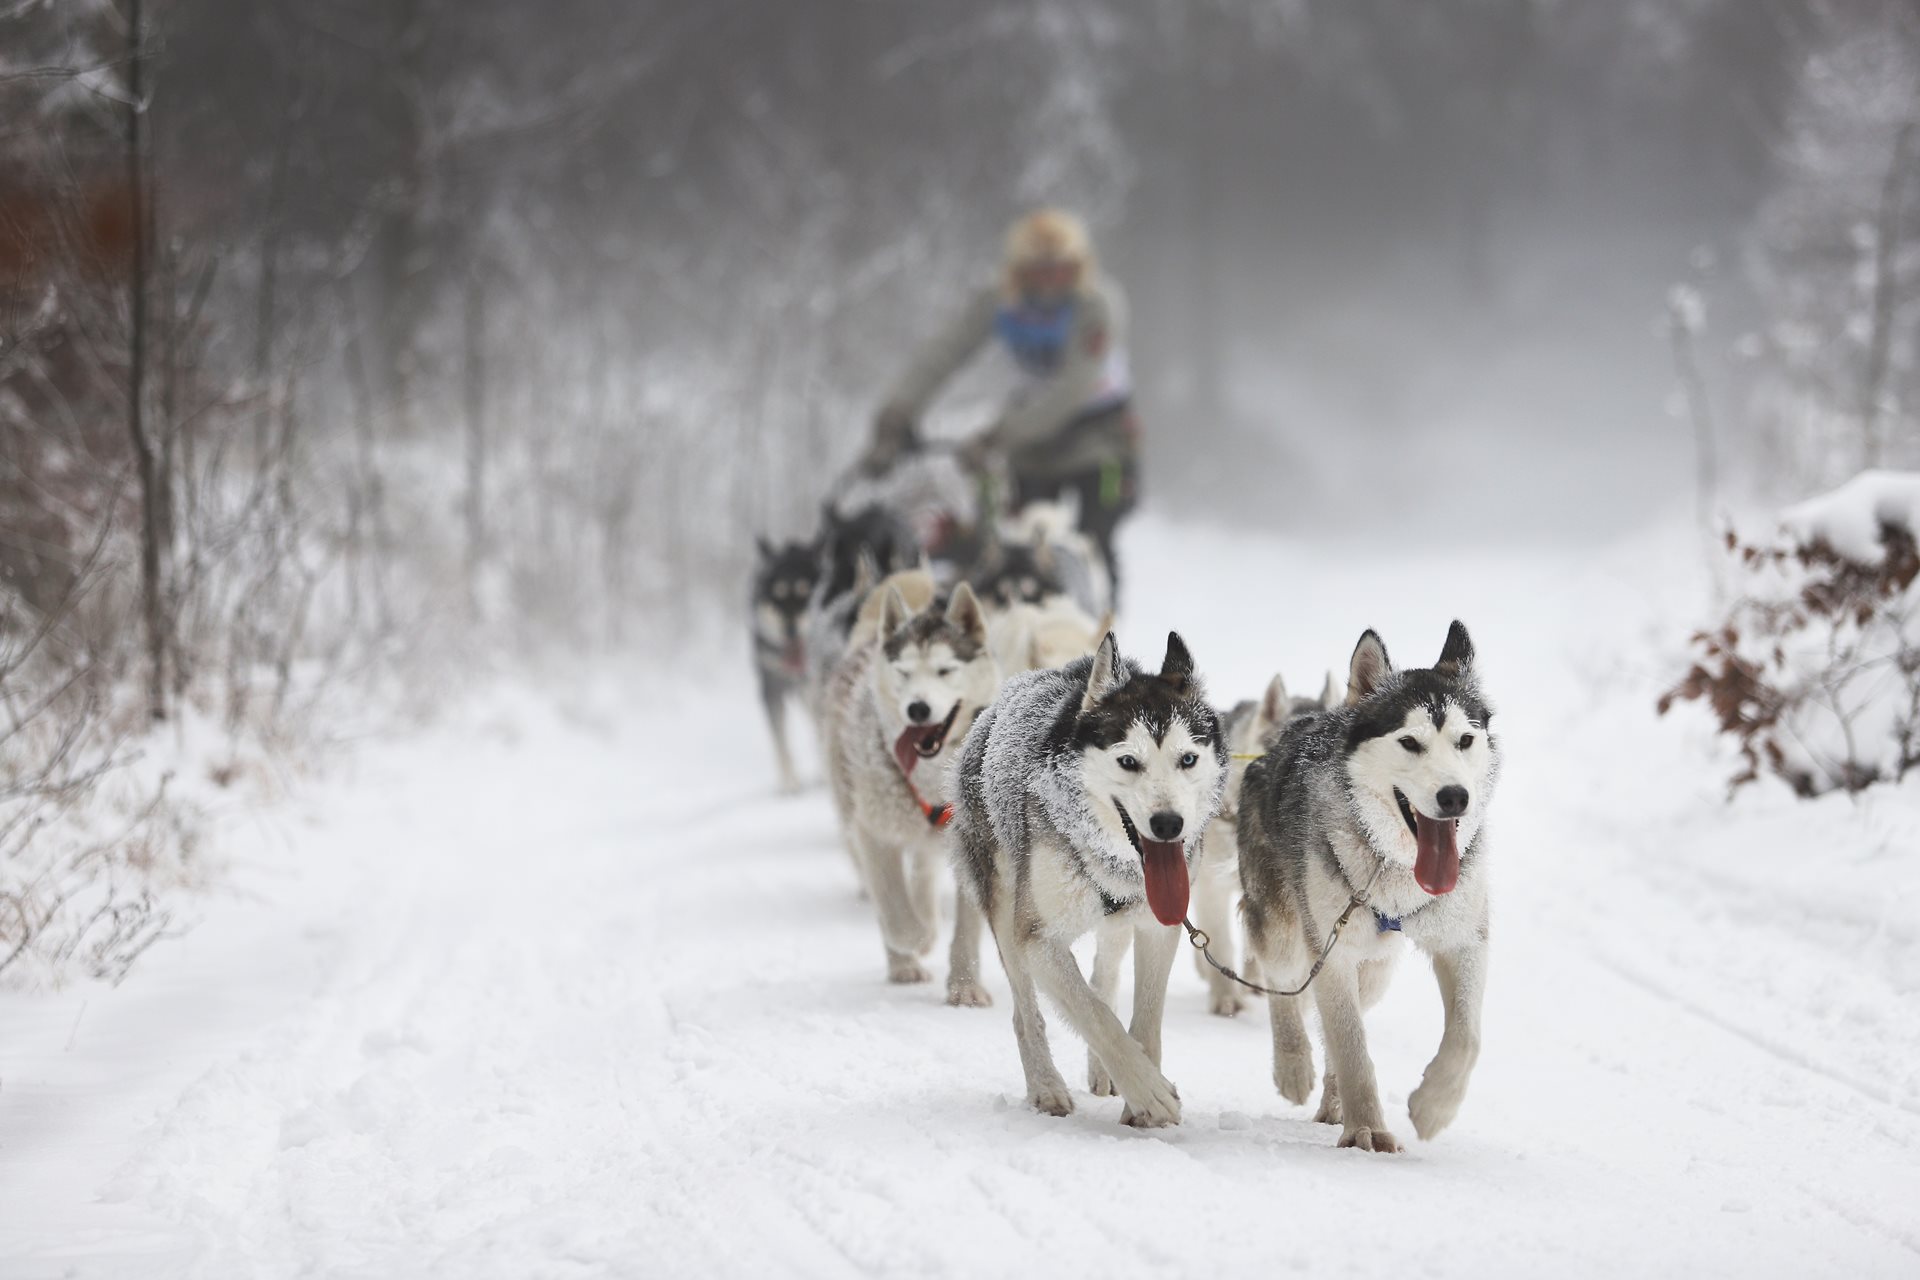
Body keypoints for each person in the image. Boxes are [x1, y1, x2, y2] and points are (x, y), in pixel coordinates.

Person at [862, 208, 1137, 595]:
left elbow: (1073, 388)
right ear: (1018, 271)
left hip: (1101, 436)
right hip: (1032, 441)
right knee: (1022, 538)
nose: (1049, 284)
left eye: (1061, 271)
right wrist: (896, 416)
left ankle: (1099, 628)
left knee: (1094, 538)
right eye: (1037, 272)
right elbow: (943, 353)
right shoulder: (1001, 301)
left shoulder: (1097, 305)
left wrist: (999, 436)